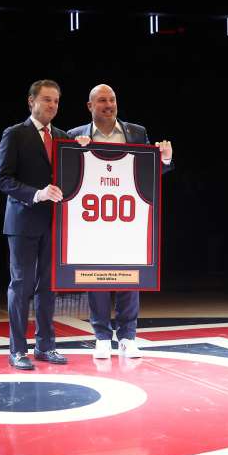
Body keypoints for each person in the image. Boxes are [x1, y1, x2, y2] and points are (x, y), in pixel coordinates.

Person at [66, 84, 173, 359]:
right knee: (96, 279)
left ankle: (128, 337)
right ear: (90, 106)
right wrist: (76, 154)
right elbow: (67, 177)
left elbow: (149, 174)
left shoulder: (136, 132)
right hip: (92, 221)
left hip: (128, 219)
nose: (108, 104)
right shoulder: (75, 135)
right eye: (101, 100)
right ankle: (101, 337)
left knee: (130, 277)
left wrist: (165, 160)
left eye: (112, 99)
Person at [0, 80, 71, 370]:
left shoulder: (63, 137)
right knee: (21, 285)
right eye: (47, 100)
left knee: (48, 287)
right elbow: (4, 180)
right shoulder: (15, 134)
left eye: (56, 101)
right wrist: (36, 194)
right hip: (23, 221)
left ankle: (45, 346)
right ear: (31, 102)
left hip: (54, 223)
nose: (52, 105)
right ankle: (17, 350)